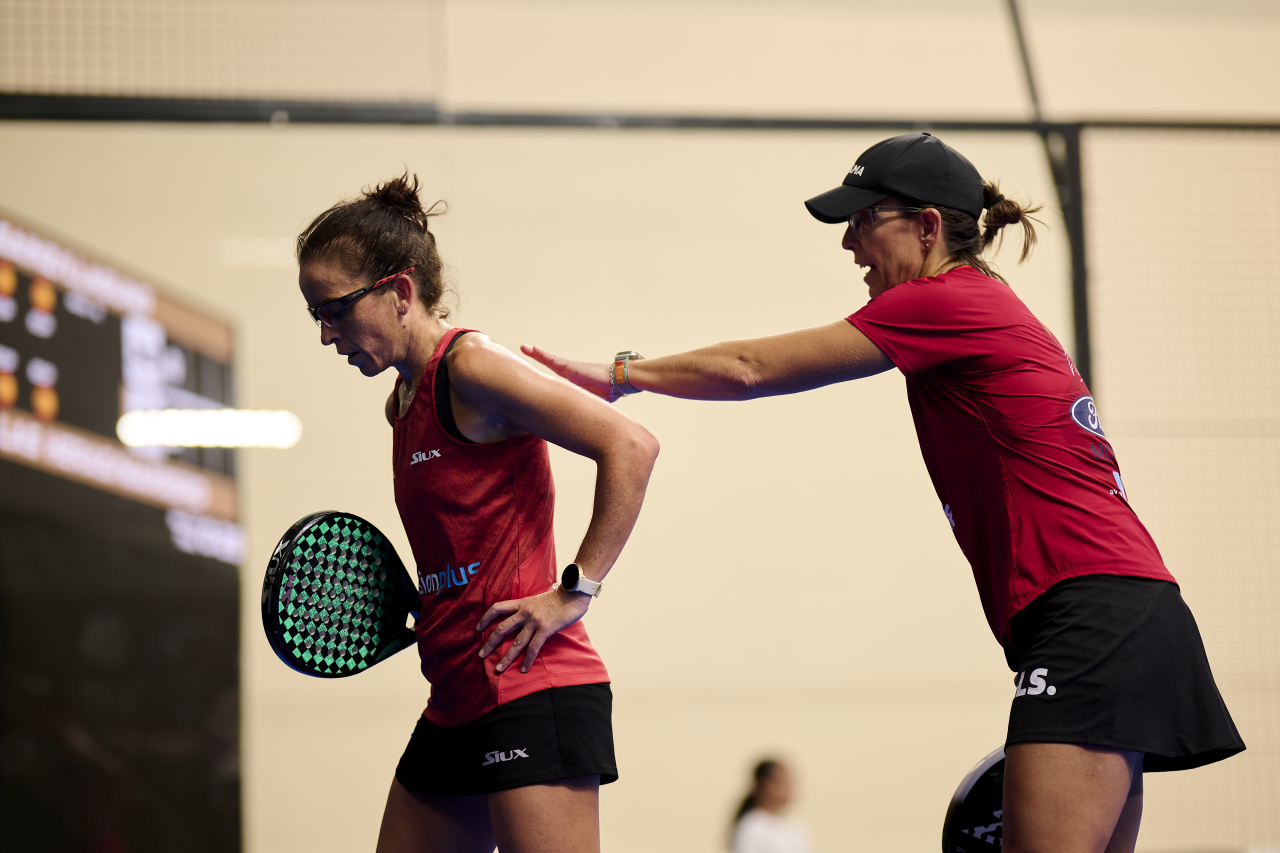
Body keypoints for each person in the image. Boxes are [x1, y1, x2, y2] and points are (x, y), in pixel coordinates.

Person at [523, 133, 1245, 853]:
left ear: (928, 227)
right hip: (1122, 608)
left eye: (864, 220)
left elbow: (749, 367)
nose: (848, 244)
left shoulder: (947, 299)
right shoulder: (982, 303)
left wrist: (620, 374)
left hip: (1092, 612)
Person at [296, 174, 659, 853]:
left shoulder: (472, 367)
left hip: (531, 689)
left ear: (400, 292)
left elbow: (631, 445)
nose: (326, 333)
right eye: (316, 313)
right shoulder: (401, 402)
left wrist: (573, 591)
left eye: (336, 309)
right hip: (455, 696)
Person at [730, 759, 811, 853]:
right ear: (762, 785)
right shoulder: (752, 827)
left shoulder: (796, 828)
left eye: (788, 781)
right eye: (780, 782)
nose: (787, 787)